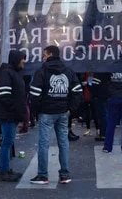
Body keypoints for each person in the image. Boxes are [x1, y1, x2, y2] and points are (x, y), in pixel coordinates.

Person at [29, 45, 82, 185]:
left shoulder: (41, 71)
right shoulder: (68, 71)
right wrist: (71, 109)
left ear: (50, 54)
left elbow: (34, 94)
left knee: (44, 144)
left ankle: (42, 175)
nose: (43, 58)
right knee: (63, 143)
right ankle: (64, 175)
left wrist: (37, 110)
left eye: (44, 55)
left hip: (46, 112)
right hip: (63, 112)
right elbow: (78, 91)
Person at [0, 50, 26, 182]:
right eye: (22, 59)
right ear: (16, 59)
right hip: (8, 114)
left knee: (8, 142)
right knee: (7, 142)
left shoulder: (14, 73)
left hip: (11, 114)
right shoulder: (7, 73)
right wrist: (15, 109)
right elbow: (4, 95)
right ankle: (3, 171)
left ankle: (6, 169)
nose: (24, 61)